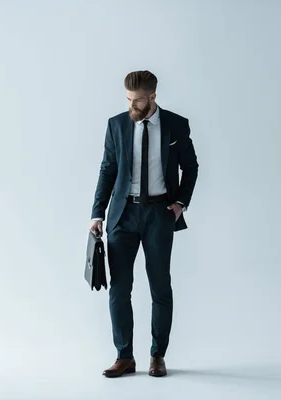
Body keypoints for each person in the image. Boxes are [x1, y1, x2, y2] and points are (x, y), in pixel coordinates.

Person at [89, 70, 199, 378]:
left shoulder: (176, 124)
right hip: (123, 215)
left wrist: (180, 204)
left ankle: (157, 356)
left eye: (137, 100)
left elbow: (191, 167)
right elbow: (107, 170)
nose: (132, 105)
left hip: (159, 214)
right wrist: (97, 214)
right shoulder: (116, 125)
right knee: (119, 288)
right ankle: (124, 356)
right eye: (127, 99)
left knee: (160, 286)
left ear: (152, 96)